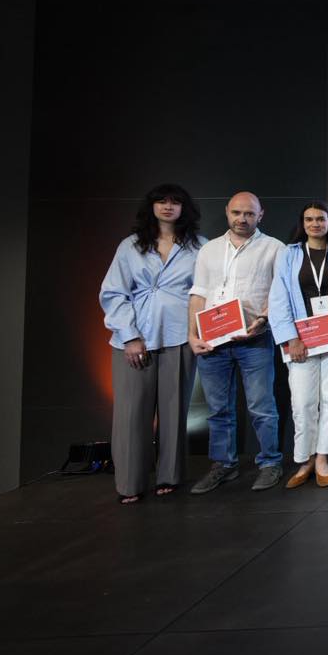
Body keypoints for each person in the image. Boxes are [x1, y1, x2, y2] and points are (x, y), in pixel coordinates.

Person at [99, 184, 206, 504]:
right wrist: (130, 336)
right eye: (162, 201)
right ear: (152, 207)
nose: (168, 207)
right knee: (131, 415)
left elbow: (208, 291)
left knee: (175, 412)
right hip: (135, 339)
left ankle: (169, 476)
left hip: (179, 336)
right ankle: (130, 483)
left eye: (175, 202)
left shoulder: (199, 246)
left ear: (184, 208)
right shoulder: (130, 246)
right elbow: (113, 293)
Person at [188, 192, 287, 494]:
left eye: (249, 213)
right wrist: (192, 335)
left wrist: (264, 319)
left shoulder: (274, 248)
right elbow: (199, 293)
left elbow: (280, 293)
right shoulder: (209, 250)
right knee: (218, 409)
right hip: (212, 341)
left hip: (254, 339)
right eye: (236, 212)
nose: (242, 219)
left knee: (261, 406)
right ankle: (224, 464)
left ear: (261, 215)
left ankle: (270, 463)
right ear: (227, 212)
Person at [268, 202, 328, 488]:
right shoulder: (289, 255)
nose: (315, 224)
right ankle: (304, 459)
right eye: (309, 219)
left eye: (320, 219)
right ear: (302, 223)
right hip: (301, 339)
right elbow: (278, 299)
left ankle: (322, 458)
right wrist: (290, 338)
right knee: (303, 402)